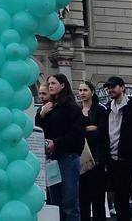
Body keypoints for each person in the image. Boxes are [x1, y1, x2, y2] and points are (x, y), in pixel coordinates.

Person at [38, 73, 86, 221]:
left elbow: (77, 136)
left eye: (53, 83)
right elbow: (39, 130)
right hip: (52, 159)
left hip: (68, 158)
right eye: (49, 83)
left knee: (69, 204)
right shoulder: (49, 107)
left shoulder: (72, 108)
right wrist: (41, 115)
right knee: (55, 202)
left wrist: (56, 143)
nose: (50, 86)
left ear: (63, 85)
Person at [103, 77, 132, 221]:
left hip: (131, 162)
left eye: (113, 86)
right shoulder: (107, 108)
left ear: (122, 87)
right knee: (120, 201)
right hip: (113, 161)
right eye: (108, 87)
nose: (110, 90)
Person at [78, 80, 109, 221]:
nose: (82, 93)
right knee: (82, 197)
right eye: (80, 90)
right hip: (80, 158)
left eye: (85, 90)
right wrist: (89, 128)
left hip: (97, 158)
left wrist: (87, 131)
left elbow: (101, 133)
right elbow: (76, 132)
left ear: (92, 92)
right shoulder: (77, 110)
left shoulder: (100, 110)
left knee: (98, 198)